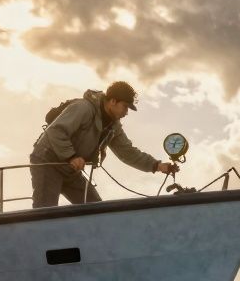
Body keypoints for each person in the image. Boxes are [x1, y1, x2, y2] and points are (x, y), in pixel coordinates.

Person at [29, 81, 177, 208]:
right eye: (125, 106)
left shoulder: (113, 126)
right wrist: (72, 156)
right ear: (113, 101)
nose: (126, 112)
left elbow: (127, 152)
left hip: (70, 169)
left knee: (96, 209)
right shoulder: (83, 108)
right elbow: (56, 131)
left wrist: (157, 166)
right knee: (45, 212)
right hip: (47, 162)